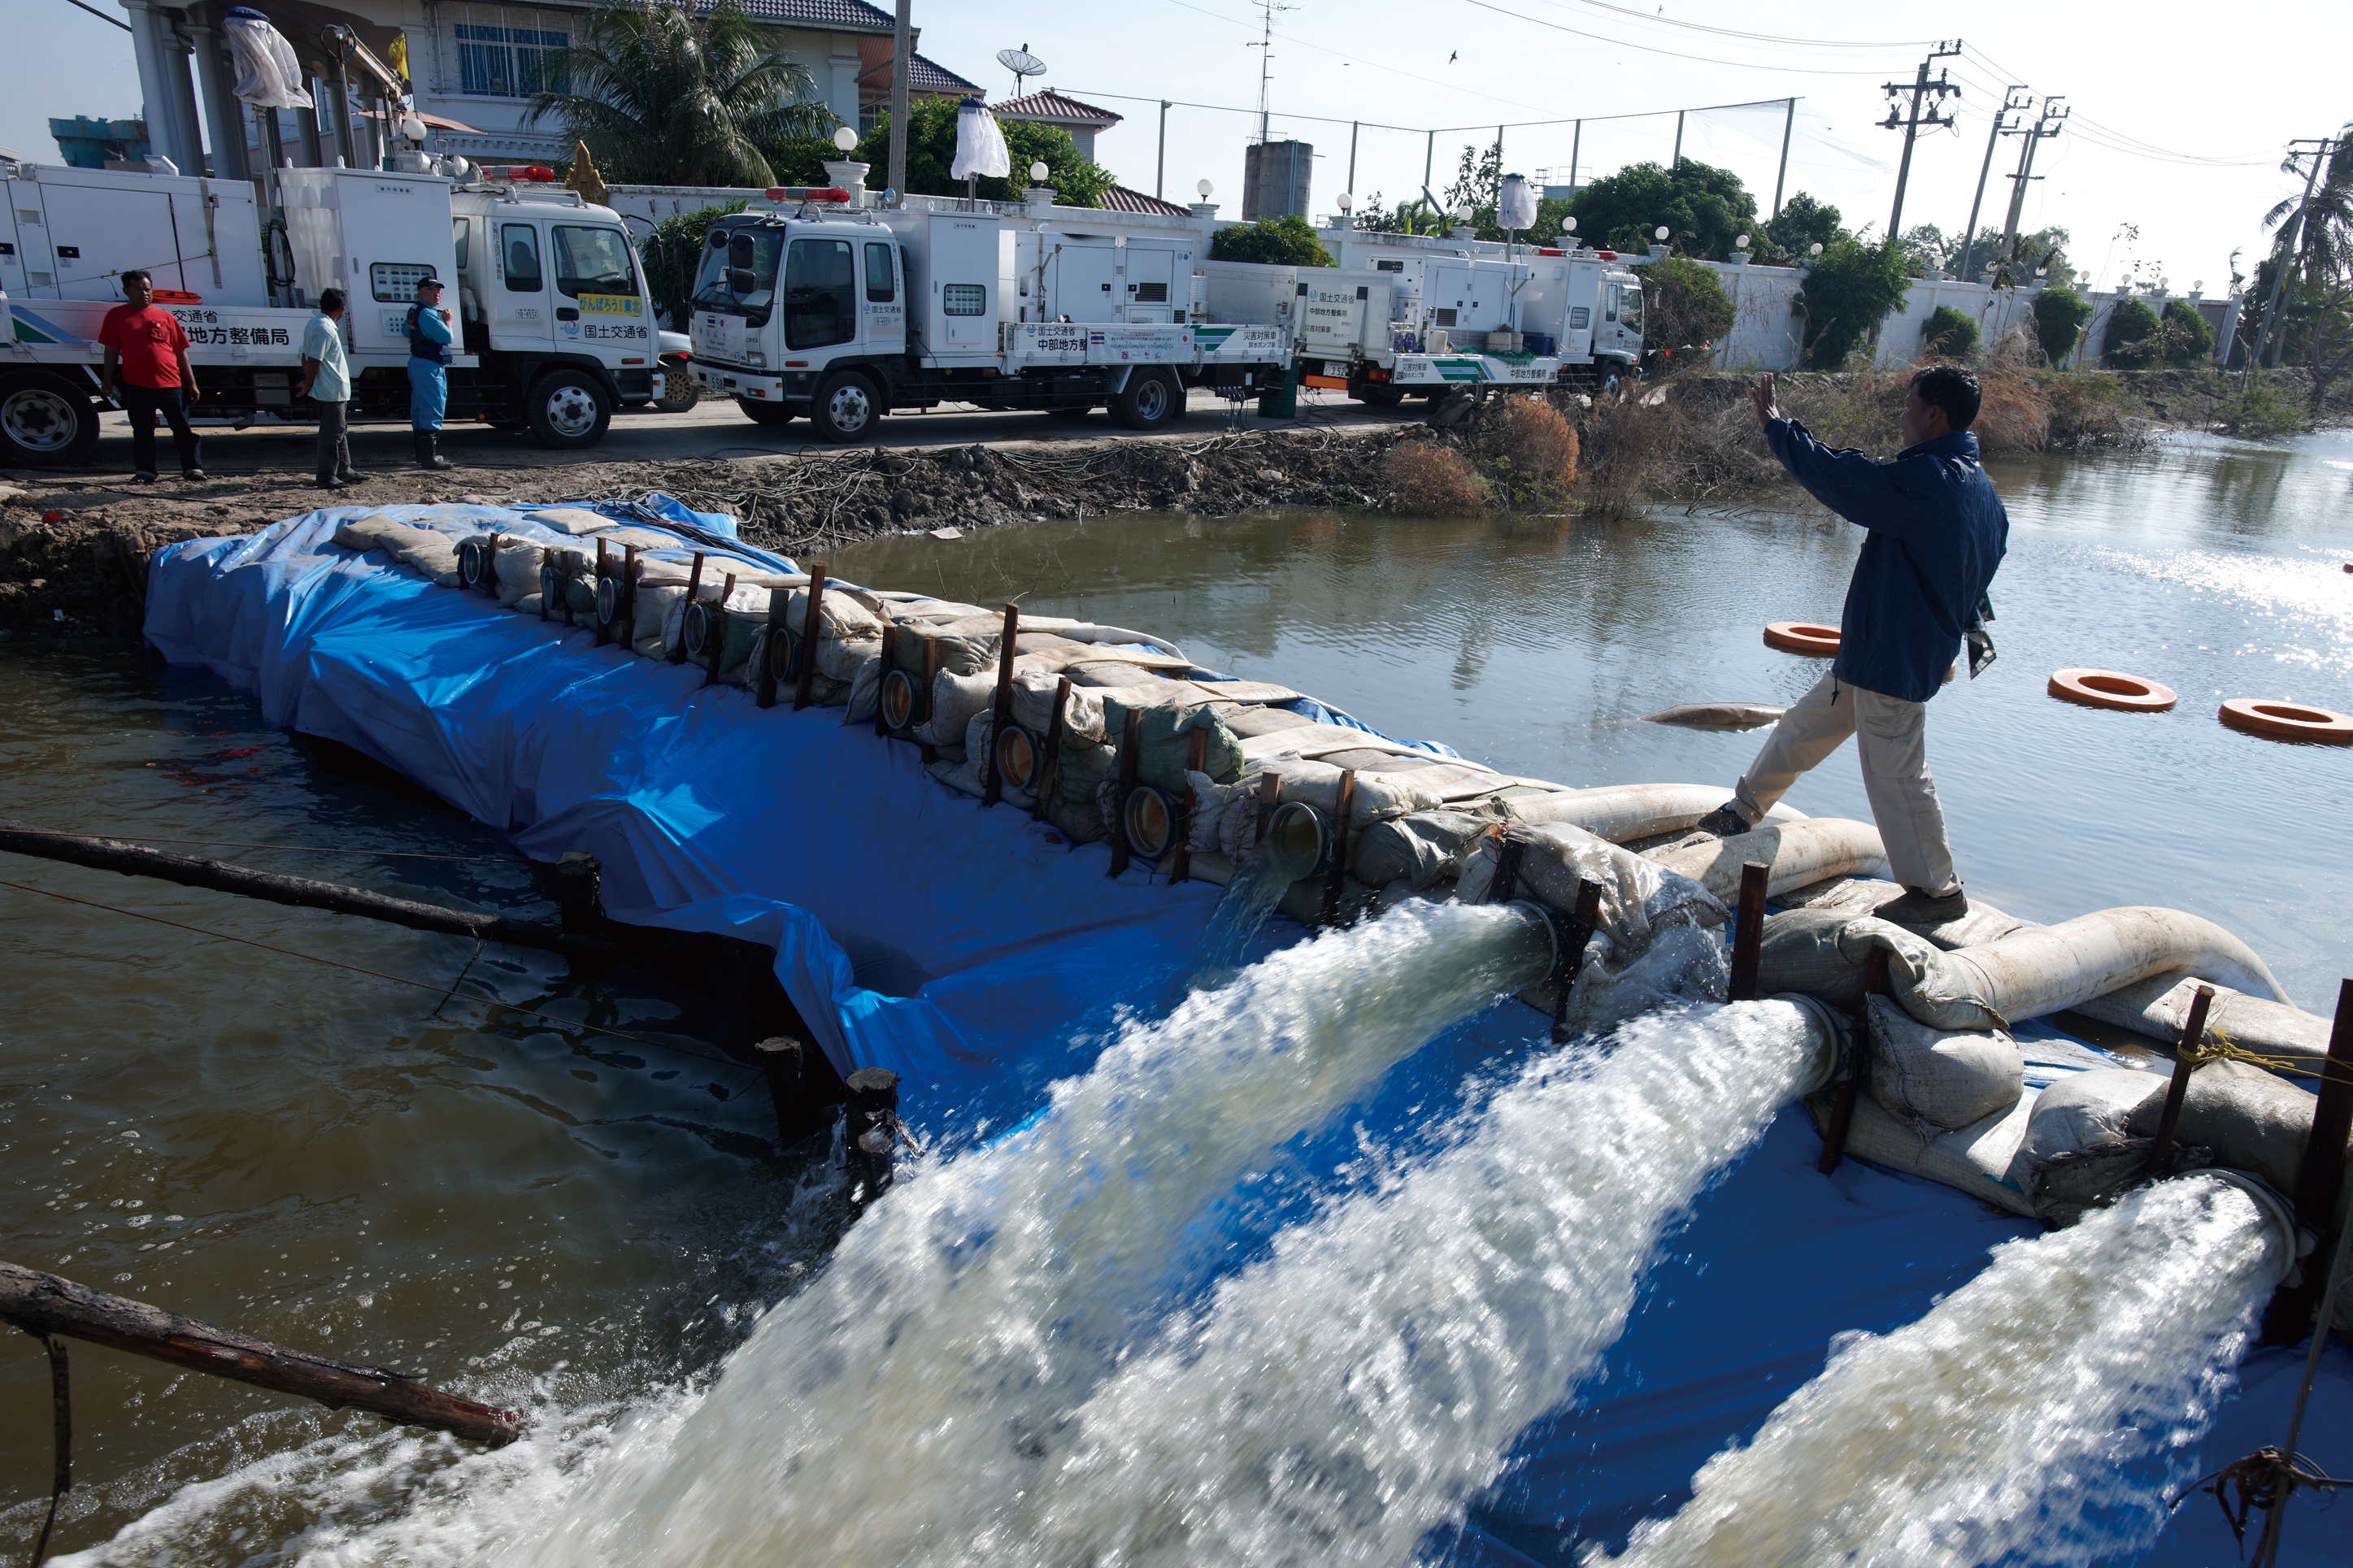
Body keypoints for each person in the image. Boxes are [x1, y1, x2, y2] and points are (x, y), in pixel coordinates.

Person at [1695, 366, 2009, 923]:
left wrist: (1778, 428)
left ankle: (1937, 892)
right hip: (1878, 649)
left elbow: (1848, 480)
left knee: (1898, 777)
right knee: (1802, 727)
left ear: (1934, 414)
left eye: (1910, 404)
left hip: (1895, 656)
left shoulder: (1934, 481)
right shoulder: (1983, 492)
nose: (1902, 414)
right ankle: (1743, 812)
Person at [98, 269, 205, 482]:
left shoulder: (165, 317)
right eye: (138, 289)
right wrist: (107, 379)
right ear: (126, 290)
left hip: (171, 385)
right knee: (143, 432)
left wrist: (191, 383)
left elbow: (180, 352)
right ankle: (145, 471)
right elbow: (110, 350)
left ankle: (193, 469)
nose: (144, 293)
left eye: (147, 289)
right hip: (136, 385)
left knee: (183, 430)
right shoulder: (116, 316)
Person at [297, 287, 356, 490]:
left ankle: (344, 470)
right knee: (332, 434)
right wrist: (309, 381)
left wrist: (307, 381)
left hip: (329, 388)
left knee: (339, 431)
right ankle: (326, 475)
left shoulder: (315, 323)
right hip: (330, 389)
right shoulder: (325, 329)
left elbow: (305, 356)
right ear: (341, 309)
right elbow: (314, 360)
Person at [406, 275, 455, 470]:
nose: (437, 294)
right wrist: (448, 321)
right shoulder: (427, 313)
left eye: (439, 290)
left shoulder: (414, 310)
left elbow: (405, 331)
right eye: (432, 290)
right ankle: (429, 459)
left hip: (417, 363)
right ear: (420, 293)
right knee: (433, 407)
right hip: (429, 366)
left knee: (419, 408)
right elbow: (447, 336)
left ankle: (422, 455)